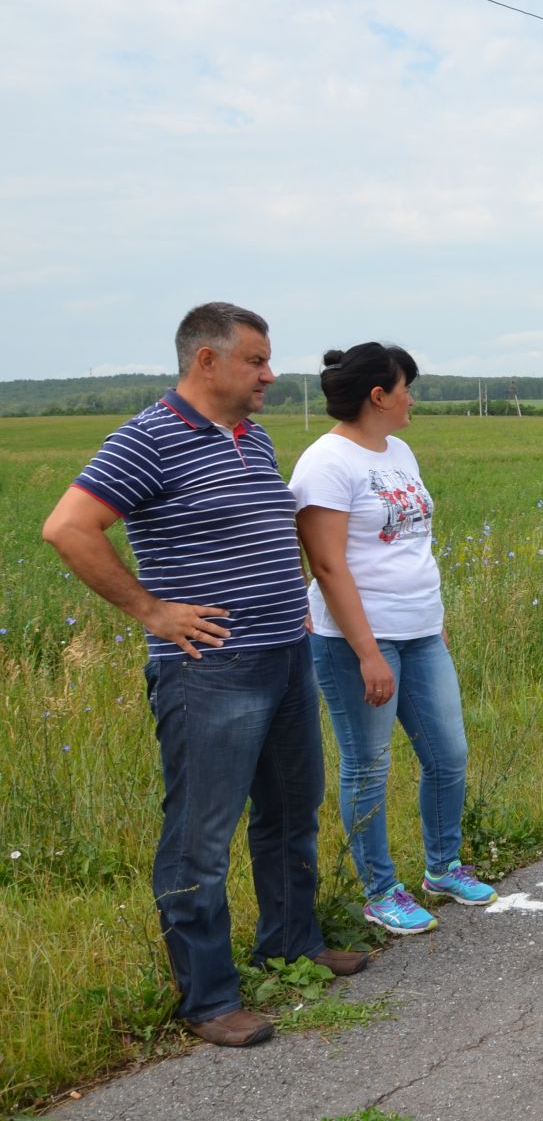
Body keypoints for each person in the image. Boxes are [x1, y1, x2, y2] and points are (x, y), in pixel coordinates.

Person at [40, 303, 366, 1048]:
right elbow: (66, 527)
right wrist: (151, 610)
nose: (270, 375)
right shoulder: (148, 439)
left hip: (284, 653)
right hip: (211, 671)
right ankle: (210, 998)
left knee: (291, 810)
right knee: (200, 838)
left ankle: (291, 942)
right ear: (206, 361)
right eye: (256, 360)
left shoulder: (254, 437)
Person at [290, 343, 496, 936]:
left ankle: (443, 868)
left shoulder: (399, 449)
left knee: (448, 754)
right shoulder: (326, 463)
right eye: (406, 387)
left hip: (420, 631)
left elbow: (410, 544)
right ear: (377, 396)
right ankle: (381, 890)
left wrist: (432, 618)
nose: (413, 398)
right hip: (357, 641)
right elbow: (328, 567)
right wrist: (367, 652)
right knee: (367, 765)